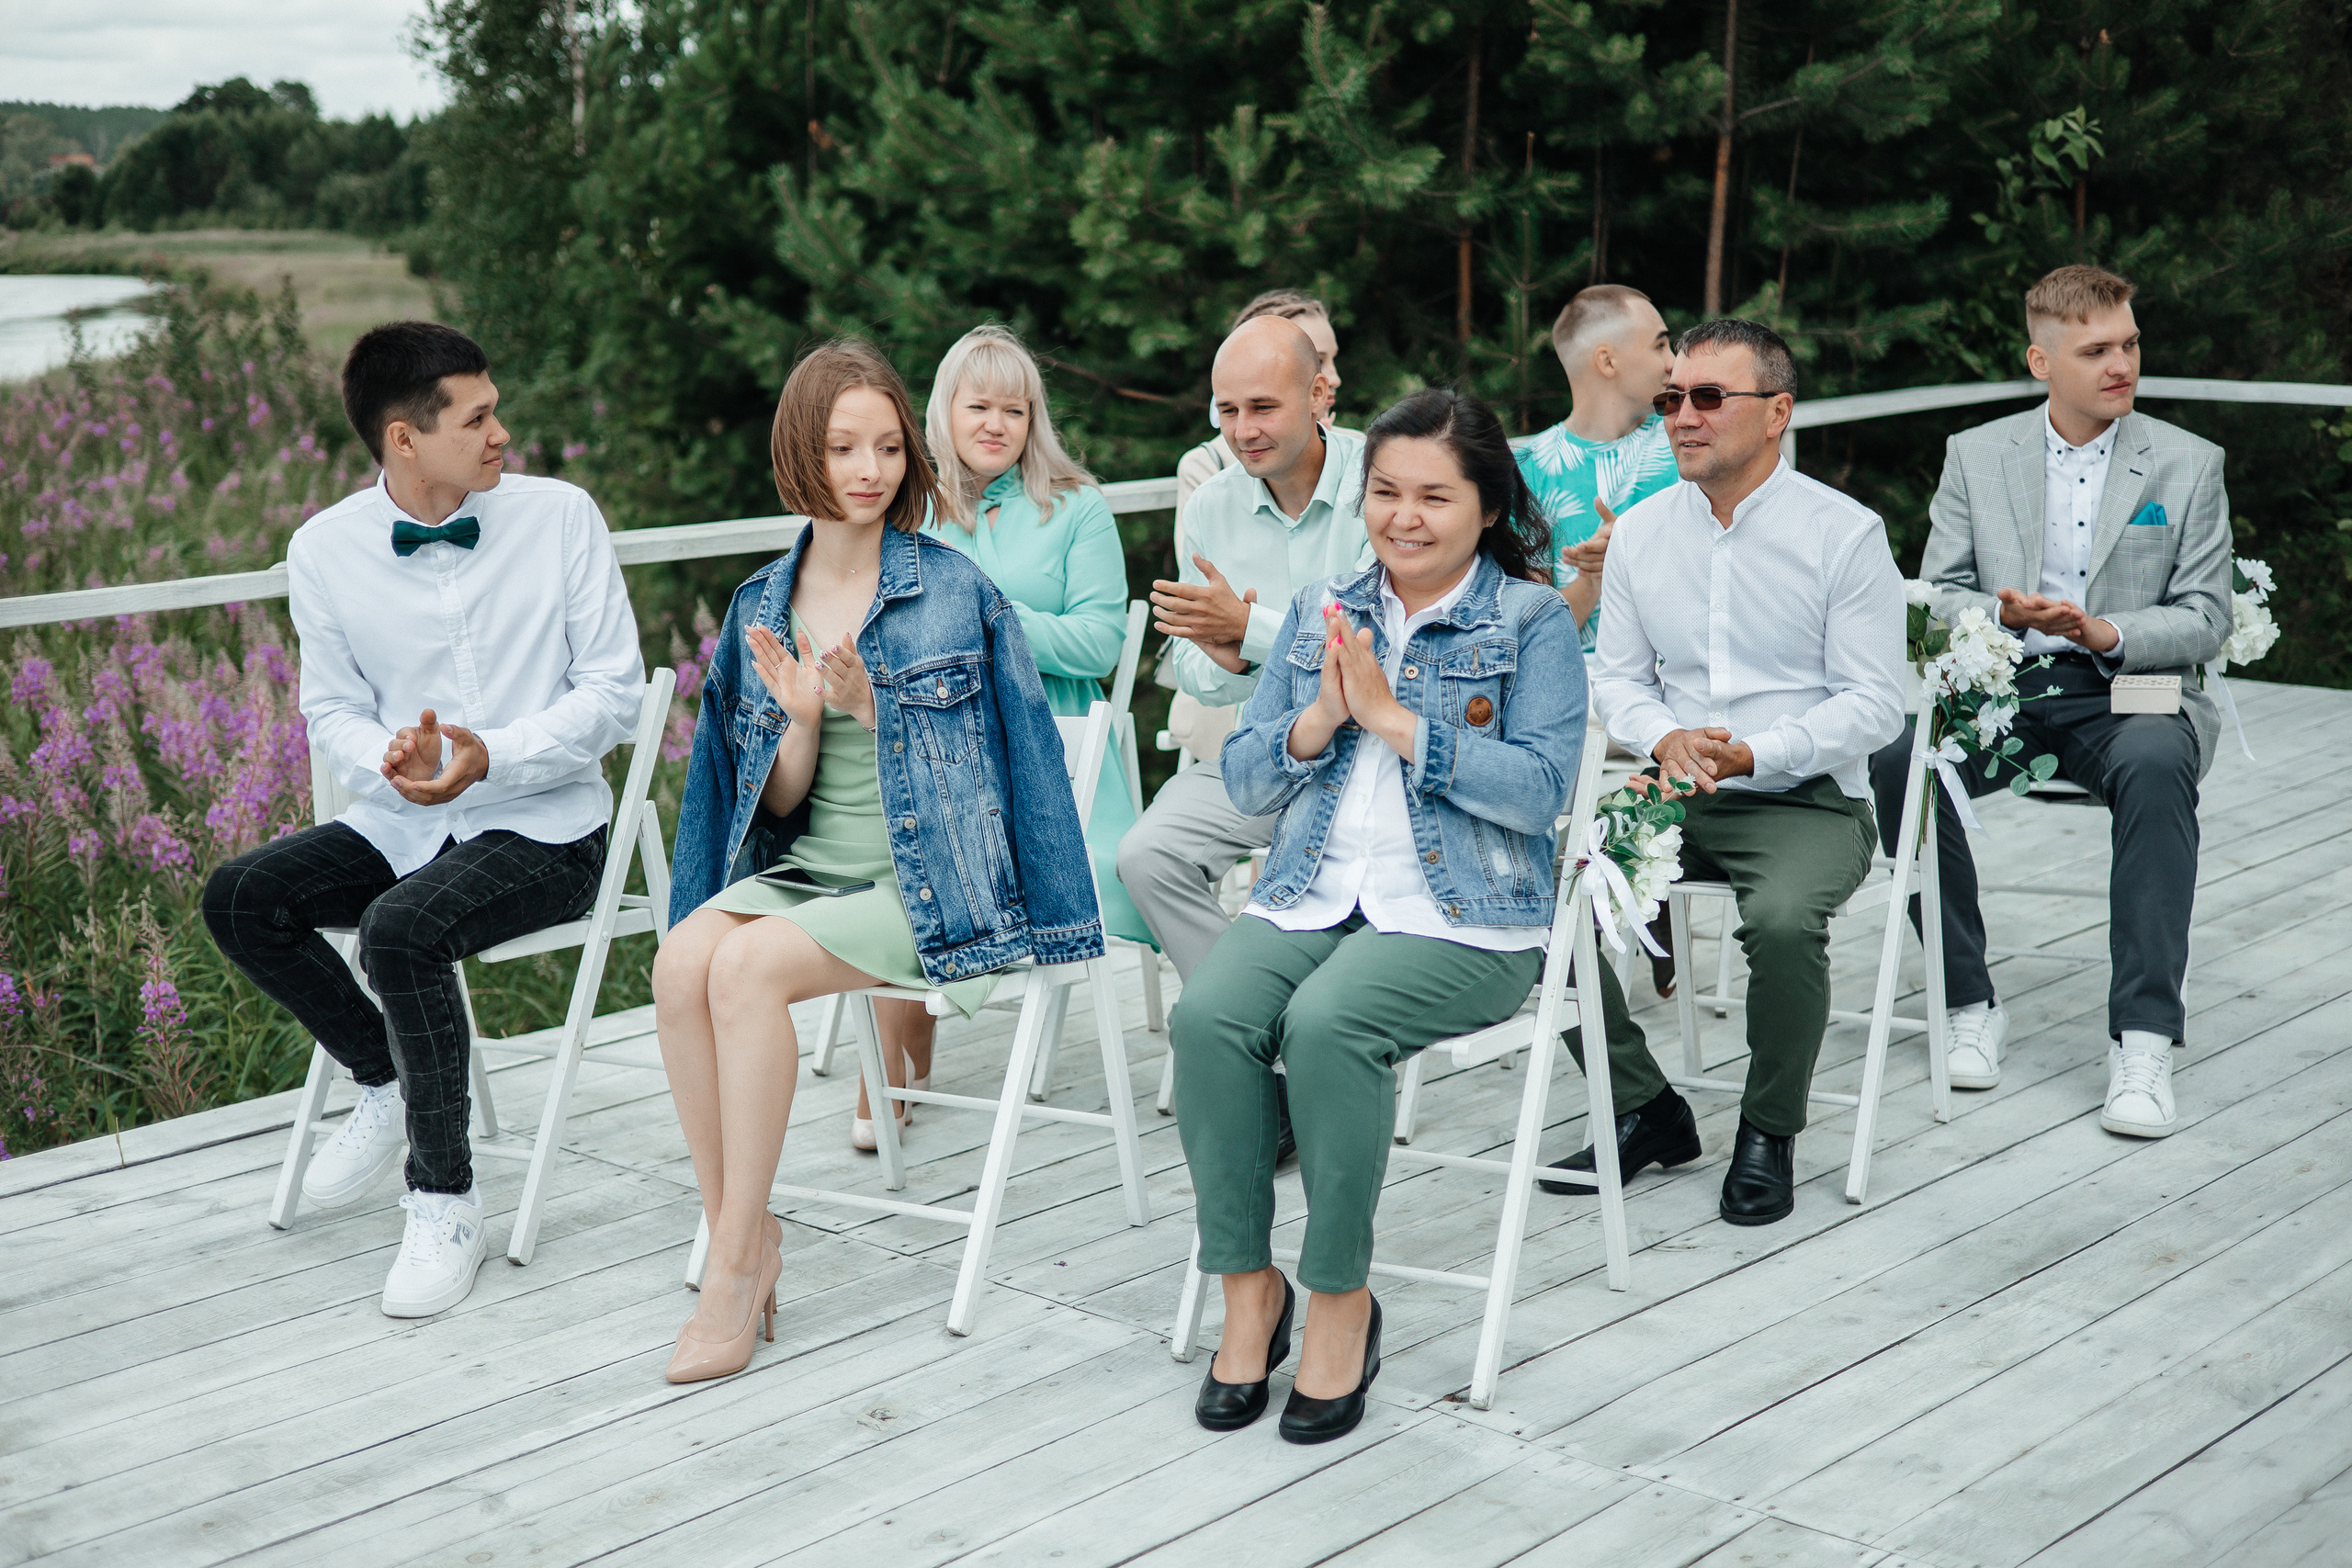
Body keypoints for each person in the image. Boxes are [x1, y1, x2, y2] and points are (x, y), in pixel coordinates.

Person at [654, 339, 1102, 1383]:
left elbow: (1010, 769)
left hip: (932, 881)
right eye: (843, 447)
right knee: (680, 961)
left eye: (889, 447)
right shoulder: (761, 604)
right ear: (799, 454)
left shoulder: (955, 591)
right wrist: (806, 722)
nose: (869, 469)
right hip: (817, 869)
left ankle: (731, 1269)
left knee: (747, 966)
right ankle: (746, 1231)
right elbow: (775, 804)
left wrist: (877, 711)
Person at [202, 321, 645, 1317]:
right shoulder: (323, 549)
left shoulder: (561, 517)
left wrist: (496, 753)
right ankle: (385, 1072)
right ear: (404, 438)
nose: (501, 434)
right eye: (477, 418)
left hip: (551, 825)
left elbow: (614, 694)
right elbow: (331, 710)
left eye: (496, 411)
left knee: (400, 929)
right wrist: (388, 762)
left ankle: (445, 1200)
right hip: (406, 824)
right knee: (241, 897)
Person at [1174, 388, 1584, 1444]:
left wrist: (1400, 724)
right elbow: (1250, 781)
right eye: (1386, 492)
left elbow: (1542, 791)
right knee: (1208, 1017)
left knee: (1327, 1027)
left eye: (1433, 497)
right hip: (1314, 891)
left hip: (1465, 914)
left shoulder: (1530, 621)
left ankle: (1340, 1302)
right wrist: (1319, 715)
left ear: (1486, 506)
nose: (1404, 516)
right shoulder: (1327, 607)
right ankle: (1249, 1291)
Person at [1868, 265, 2229, 1138]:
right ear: (2042, 361)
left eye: (2129, 344)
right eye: (2096, 350)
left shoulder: (2189, 460)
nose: (2122, 364)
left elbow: (2207, 616)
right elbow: (1937, 596)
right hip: (2010, 683)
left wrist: (2107, 631)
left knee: (2155, 763)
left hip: (2131, 683)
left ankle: (2143, 1039)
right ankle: (1968, 1002)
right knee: (1899, 762)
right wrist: (2003, 614)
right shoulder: (1976, 453)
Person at [1568, 318, 1906, 1226]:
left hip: (1807, 799)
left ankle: (1768, 1130)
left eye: (1709, 397)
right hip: (1675, 789)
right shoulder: (1642, 532)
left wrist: (1760, 750)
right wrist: (1667, 738)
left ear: (1776, 413)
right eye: (1671, 397)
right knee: (1541, 892)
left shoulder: (1844, 533)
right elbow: (1617, 679)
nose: (1683, 416)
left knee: (1784, 922)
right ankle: (1643, 1104)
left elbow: (1876, 703)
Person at [838, 323, 1149, 1149]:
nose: (996, 424)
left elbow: (1099, 642)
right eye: (979, 406)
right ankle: (896, 1053)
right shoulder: (909, 509)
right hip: (933, 736)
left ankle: (902, 1056)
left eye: (1015, 409)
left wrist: (987, 622)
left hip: (1051, 754)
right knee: (886, 838)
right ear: (945, 410)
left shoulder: (1077, 507)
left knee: (932, 842)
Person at [1120, 315, 1369, 987]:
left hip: (1376, 758)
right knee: (1146, 854)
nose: (1242, 430)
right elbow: (1193, 665)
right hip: (1264, 756)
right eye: (1227, 410)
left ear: (1318, 395)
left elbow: (1369, 649)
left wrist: (1249, 628)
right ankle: (1244, 1007)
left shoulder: (1378, 481)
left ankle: (1287, 1012)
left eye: (1262, 407)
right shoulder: (1209, 506)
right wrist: (1230, 657)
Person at [1514, 284, 1679, 649]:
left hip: (1685, 675)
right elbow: (1531, 637)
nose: (1673, 362)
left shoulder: (1686, 440)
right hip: (1582, 678)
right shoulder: (1528, 470)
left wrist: (1636, 548)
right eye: (1660, 345)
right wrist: (1592, 579)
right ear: (1607, 362)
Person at [1172, 289, 1345, 521]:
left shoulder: (1363, 454)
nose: (1335, 378)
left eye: (1332, 359)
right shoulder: (1208, 467)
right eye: (1318, 360)